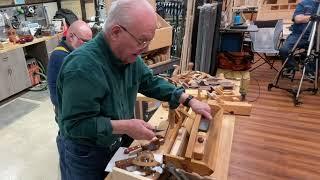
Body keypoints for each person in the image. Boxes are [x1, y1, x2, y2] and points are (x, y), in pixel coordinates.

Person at [55, 0, 213, 179]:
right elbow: (75, 125)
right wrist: (126, 126)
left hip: (115, 142)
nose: (146, 48)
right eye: (142, 40)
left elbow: (150, 82)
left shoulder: (129, 56)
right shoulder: (81, 67)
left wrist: (188, 100)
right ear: (115, 32)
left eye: (148, 41)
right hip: (86, 154)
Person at [47, 20, 92, 109]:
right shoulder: (60, 56)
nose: (88, 46)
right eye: (85, 41)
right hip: (66, 109)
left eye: (90, 42)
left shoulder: (73, 50)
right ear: (71, 37)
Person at [279, 0, 319, 79]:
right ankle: (291, 67)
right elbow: (297, 18)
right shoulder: (304, 3)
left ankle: (309, 69)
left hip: (316, 37)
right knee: (284, 50)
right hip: (299, 35)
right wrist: (310, 17)